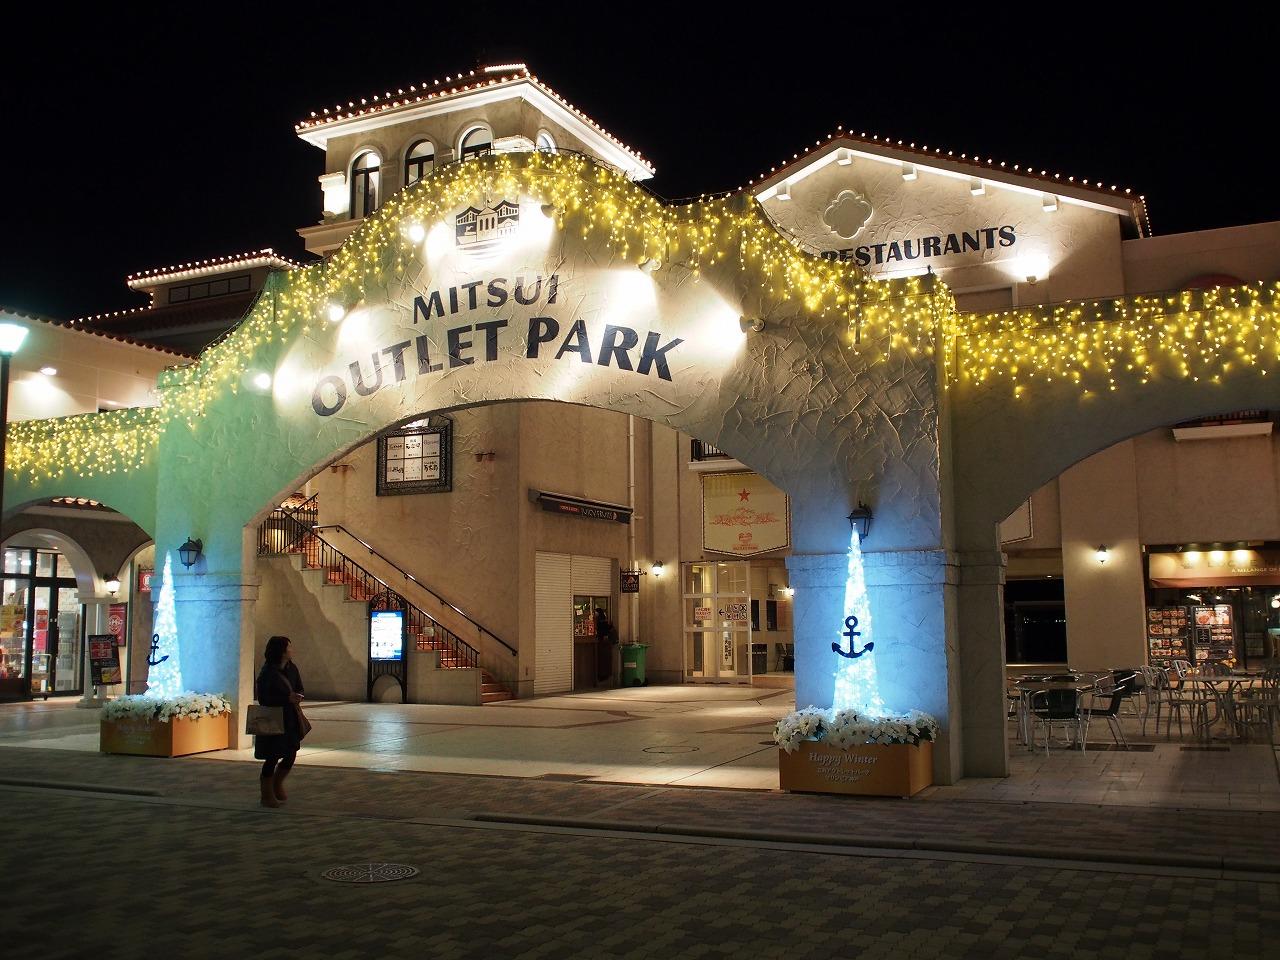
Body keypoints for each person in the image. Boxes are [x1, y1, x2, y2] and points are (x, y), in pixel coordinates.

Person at [255, 635, 304, 808]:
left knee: (291, 753)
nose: (291, 650)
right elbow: (263, 698)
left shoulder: (292, 668)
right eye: (289, 647)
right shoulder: (267, 673)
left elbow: (299, 687)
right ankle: (266, 794)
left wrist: (297, 696)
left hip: (290, 718)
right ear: (281, 651)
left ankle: (277, 784)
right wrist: (285, 698)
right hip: (273, 719)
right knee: (272, 756)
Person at [595, 607, 616, 684]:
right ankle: (604, 674)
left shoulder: (600, 622)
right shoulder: (604, 622)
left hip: (602, 642)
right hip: (604, 643)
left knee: (602, 659)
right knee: (604, 659)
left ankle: (603, 675)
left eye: (596, 613)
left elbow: (602, 631)